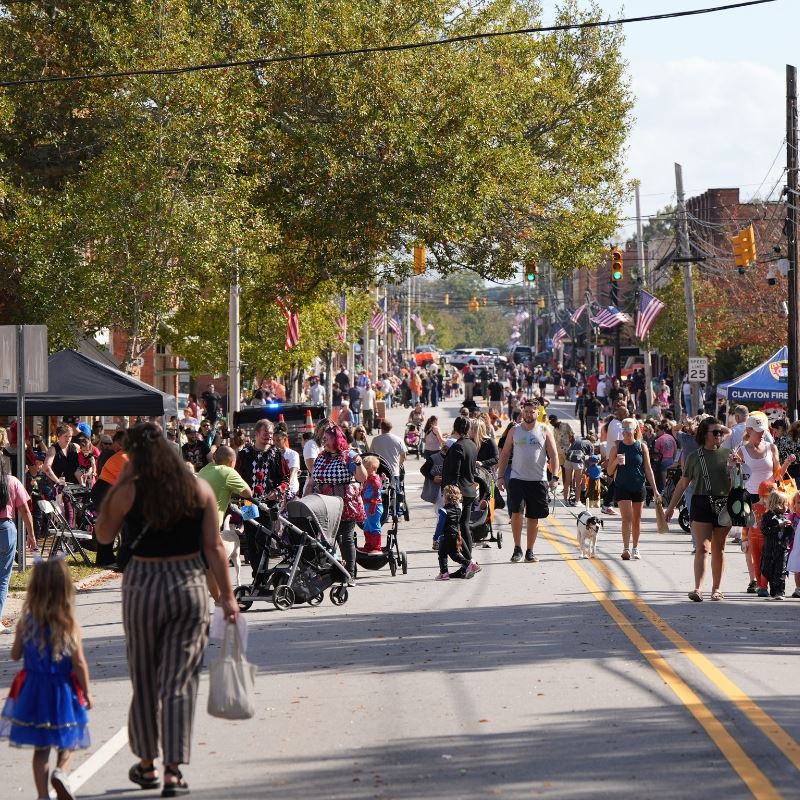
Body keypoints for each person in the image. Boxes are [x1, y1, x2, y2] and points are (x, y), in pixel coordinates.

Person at [95, 422, 239, 796]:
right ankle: (173, 769)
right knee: (180, 680)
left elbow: (104, 536)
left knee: (144, 676)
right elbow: (214, 547)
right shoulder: (198, 488)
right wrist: (227, 596)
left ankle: (147, 763)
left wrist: (122, 481)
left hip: (142, 583)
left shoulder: (129, 490)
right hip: (188, 582)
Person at [0, 559, 92, 800]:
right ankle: (61, 771)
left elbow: (15, 654)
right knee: (69, 735)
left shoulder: (26, 623)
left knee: (41, 747)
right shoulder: (69, 625)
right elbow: (79, 663)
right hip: (63, 689)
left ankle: (42, 795)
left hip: (34, 691)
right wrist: (87, 692)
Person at [665, 417, 736, 602]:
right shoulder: (694, 457)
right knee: (702, 548)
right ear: (704, 434)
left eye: (721, 432)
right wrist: (671, 508)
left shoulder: (730, 455)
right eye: (715, 432)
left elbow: (738, 484)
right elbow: (683, 483)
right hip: (701, 502)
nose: (719, 435)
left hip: (723, 502)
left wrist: (735, 469)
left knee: (719, 548)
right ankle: (698, 588)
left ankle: (717, 589)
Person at [736, 414, 794, 596]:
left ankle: (767, 581)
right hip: (751, 497)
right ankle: (754, 579)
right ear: (749, 430)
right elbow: (735, 474)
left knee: (770, 541)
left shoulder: (771, 447)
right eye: (758, 431)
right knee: (751, 540)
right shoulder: (741, 450)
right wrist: (732, 463)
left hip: (772, 499)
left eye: (763, 431)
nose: (762, 434)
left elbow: (777, 475)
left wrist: (786, 463)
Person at [496, 399, 559, 563]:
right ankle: (517, 548)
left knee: (533, 516)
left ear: (538, 413)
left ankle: (530, 550)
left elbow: (553, 455)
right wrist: (500, 476)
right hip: (517, 478)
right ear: (522, 412)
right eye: (526, 411)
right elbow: (504, 454)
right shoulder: (514, 430)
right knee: (516, 513)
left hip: (538, 480)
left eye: (532, 412)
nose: (529, 414)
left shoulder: (544, 430)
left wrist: (555, 477)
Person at [310, 424, 367, 580]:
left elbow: (362, 478)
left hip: (344, 504)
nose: (324, 442)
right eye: (323, 439)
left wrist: (359, 463)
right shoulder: (321, 456)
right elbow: (311, 480)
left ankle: (350, 574)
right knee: (325, 540)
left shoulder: (349, 455)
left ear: (336, 439)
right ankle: (332, 573)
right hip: (323, 505)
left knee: (345, 538)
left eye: (327, 439)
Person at [606, 419, 661, 560]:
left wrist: (655, 489)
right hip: (622, 486)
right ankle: (626, 548)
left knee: (637, 520)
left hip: (638, 486)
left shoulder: (641, 447)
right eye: (623, 428)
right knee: (627, 518)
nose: (625, 431)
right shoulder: (617, 447)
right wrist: (615, 462)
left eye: (628, 428)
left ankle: (635, 548)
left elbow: (648, 469)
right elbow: (609, 472)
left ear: (635, 429)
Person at [235, 419, 283, 576]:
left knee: (264, 538)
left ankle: (262, 574)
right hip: (249, 502)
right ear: (256, 434)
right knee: (250, 537)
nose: (269, 436)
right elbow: (237, 477)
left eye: (271, 433)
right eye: (265, 433)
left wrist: (278, 490)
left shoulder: (277, 454)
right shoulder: (244, 455)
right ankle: (258, 573)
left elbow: (285, 480)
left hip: (269, 504)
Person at [441, 416, 480, 575]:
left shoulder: (458, 447)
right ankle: (468, 565)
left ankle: (469, 562)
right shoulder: (471, 444)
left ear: (455, 428)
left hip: (458, 493)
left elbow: (454, 473)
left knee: (457, 528)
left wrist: (450, 495)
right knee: (464, 526)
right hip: (469, 490)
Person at [0, 459, 36, 630]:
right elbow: (25, 510)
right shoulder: (12, 481)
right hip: (6, 530)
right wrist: (31, 535)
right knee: (2, 579)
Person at [433, 485, 474, 580]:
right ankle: (469, 564)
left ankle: (445, 573)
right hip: (455, 535)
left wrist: (435, 537)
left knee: (442, 554)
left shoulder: (443, 511)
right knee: (454, 554)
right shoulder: (458, 509)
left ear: (445, 497)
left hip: (445, 536)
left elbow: (440, 526)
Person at [759, 489, 793, 599]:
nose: (786, 507)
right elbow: (765, 531)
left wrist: (790, 527)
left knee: (781, 570)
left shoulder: (786, 516)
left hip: (782, 548)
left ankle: (780, 592)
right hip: (769, 548)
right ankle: (773, 589)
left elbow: (790, 535)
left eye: (787, 504)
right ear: (777, 504)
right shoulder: (767, 516)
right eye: (784, 504)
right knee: (767, 569)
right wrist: (779, 526)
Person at [360, 455, 383, 552]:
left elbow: (376, 492)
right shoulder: (368, 479)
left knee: (374, 525)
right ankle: (369, 544)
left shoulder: (374, 479)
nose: (364, 470)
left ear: (373, 468)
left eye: (366, 468)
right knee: (367, 525)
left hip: (374, 506)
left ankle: (376, 546)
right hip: (367, 505)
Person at [564, 433, 594, 506]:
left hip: (568, 457)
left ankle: (565, 501)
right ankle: (577, 501)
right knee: (578, 482)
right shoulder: (590, 444)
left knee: (567, 481)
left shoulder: (578, 438)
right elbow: (591, 459)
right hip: (578, 459)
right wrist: (587, 470)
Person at [273, 428, 300, 501]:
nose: (275, 443)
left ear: (284, 440)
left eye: (278, 440)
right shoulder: (271, 455)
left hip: (291, 489)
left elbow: (293, 471)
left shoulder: (293, 454)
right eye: (273, 440)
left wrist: (286, 486)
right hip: (276, 490)